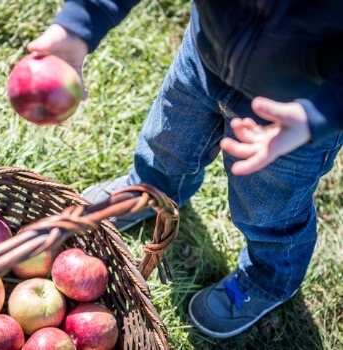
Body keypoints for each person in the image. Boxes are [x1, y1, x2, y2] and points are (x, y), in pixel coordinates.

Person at [27, 0, 343, 339]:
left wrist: (319, 114)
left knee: (269, 211)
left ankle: (269, 279)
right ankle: (149, 192)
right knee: (166, 143)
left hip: (293, 113)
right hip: (204, 60)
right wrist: (81, 22)